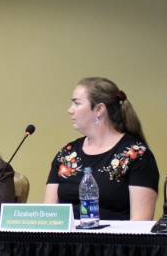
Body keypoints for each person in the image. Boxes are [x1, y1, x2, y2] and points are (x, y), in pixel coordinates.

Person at [44, 77, 159, 220]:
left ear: (99, 109)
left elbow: (140, 223)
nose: (70, 110)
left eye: (76, 103)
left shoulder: (136, 154)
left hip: (114, 241)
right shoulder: (67, 154)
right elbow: (49, 216)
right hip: (64, 242)